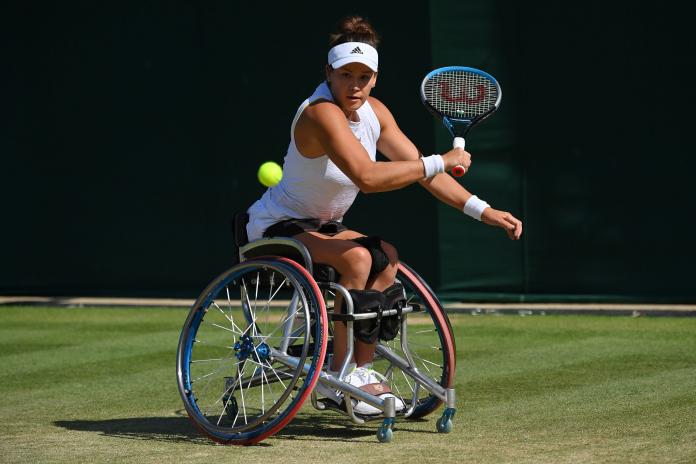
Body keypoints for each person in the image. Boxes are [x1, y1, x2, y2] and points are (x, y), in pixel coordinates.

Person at [245, 15, 522, 415]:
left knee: (386, 256)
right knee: (358, 257)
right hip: (275, 227)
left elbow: (426, 176)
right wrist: (440, 161)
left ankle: (359, 371)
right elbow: (368, 177)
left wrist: (484, 210)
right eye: (345, 75)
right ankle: (336, 376)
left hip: (323, 229)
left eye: (363, 76)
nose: (354, 85)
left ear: (375, 78)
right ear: (329, 72)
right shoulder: (319, 113)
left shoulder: (375, 112)